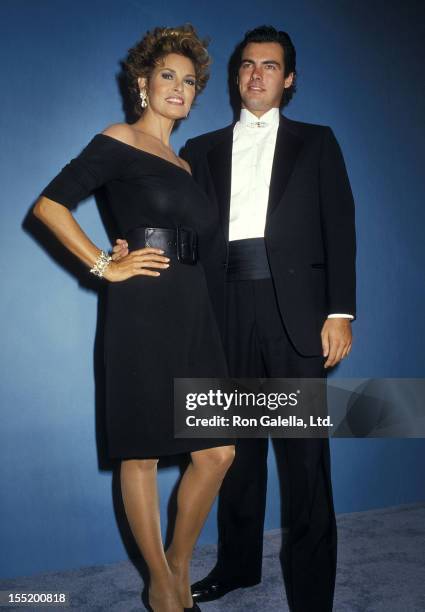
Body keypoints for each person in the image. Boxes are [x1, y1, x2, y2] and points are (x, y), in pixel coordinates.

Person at [114, 24, 356, 612]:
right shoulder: (199, 151)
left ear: (288, 78)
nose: (256, 75)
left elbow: (340, 229)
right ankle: (238, 565)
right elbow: (175, 223)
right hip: (218, 310)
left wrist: (341, 311)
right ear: (236, 74)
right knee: (232, 452)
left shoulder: (318, 142)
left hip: (296, 314)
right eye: (247, 65)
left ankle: (312, 591)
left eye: (269, 66)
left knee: (304, 459)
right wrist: (127, 249)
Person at [33, 24, 235, 612]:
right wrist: (104, 263)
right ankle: (164, 586)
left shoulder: (186, 164)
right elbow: (49, 205)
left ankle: (173, 565)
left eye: (190, 80)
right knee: (141, 453)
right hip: (142, 308)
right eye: (167, 76)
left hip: (193, 308)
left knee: (218, 451)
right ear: (142, 84)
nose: (179, 87)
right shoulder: (118, 138)